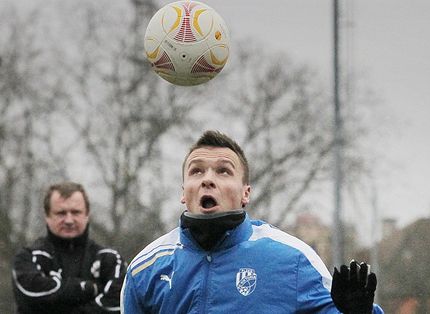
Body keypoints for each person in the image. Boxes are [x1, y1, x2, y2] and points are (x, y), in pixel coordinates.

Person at [121, 130, 384, 313]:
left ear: (246, 192)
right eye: (196, 170)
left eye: (223, 171)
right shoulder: (145, 269)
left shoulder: (293, 259)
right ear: (183, 191)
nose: (207, 179)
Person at [12, 181, 126, 313]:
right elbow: (31, 294)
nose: (69, 220)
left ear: (87, 215)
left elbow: (119, 303)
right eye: (61, 213)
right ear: (47, 216)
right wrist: (90, 288)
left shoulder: (110, 260)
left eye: (76, 212)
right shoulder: (28, 257)